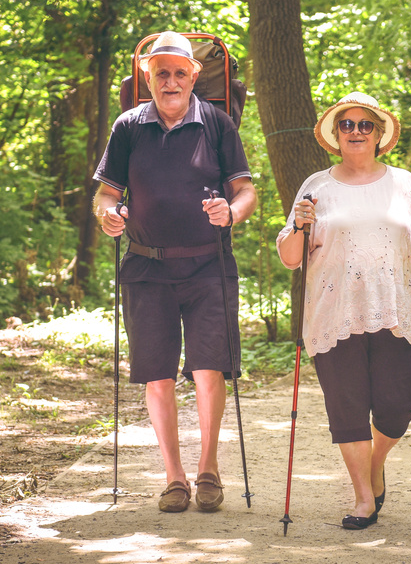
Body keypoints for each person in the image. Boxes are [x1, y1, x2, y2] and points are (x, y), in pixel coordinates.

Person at [92, 31, 257, 513]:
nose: (170, 81)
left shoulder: (218, 122)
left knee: (210, 370)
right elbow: (106, 193)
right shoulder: (127, 127)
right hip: (146, 266)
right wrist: (108, 214)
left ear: (194, 76)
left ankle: (209, 470)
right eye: (160, 72)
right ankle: (174, 477)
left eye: (179, 72)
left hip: (209, 265)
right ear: (147, 77)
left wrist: (232, 211)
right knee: (157, 376)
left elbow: (245, 191)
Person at [276, 91, 411, 529]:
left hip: (395, 311)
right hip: (335, 313)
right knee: (347, 408)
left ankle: (375, 465)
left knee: (396, 408)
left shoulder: (405, 183)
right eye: (347, 125)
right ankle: (363, 498)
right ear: (336, 134)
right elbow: (292, 257)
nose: (356, 132)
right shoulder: (316, 186)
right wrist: (298, 224)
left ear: (378, 134)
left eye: (364, 125)